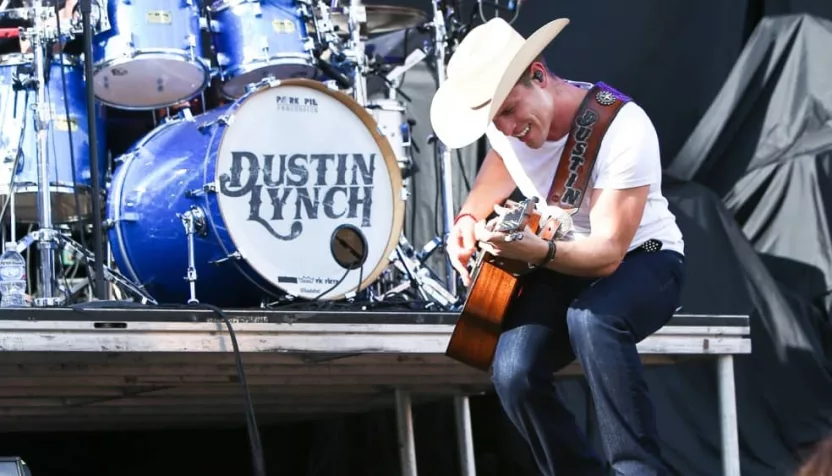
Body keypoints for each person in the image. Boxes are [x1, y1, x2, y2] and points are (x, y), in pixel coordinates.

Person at [430, 16, 686, 476]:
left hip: (644, 260)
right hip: (560, 260)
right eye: (496, 120)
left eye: (510, 111)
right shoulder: (506, 129)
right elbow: (502, 160)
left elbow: (608, 253)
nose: (507, 128)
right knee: (512, 373)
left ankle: (638, 470)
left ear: (539, 74)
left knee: (592, 320)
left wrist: (537, 252)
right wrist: (468, 219)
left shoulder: (623, 127)